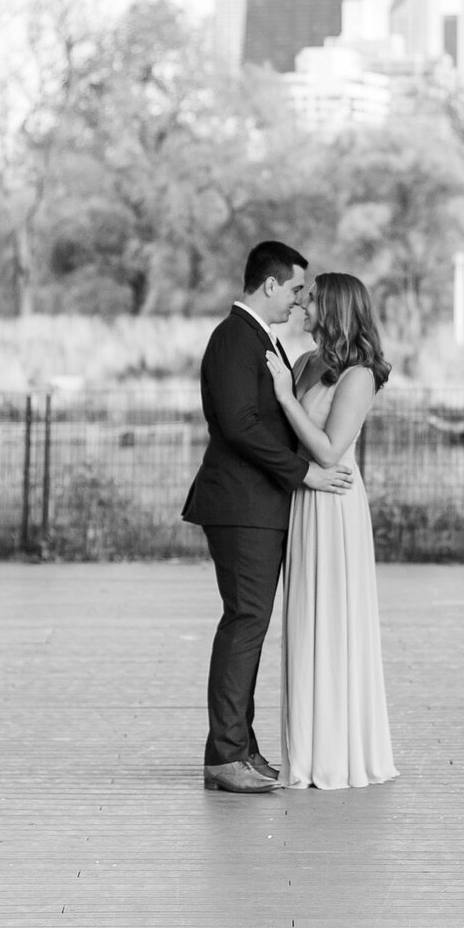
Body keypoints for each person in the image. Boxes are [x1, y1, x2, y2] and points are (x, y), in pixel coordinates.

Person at [182, 241, 356, 794]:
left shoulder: (266, 340)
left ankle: (243, 749)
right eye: (297, 289)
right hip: (241, 506)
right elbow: (239, 425)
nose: (301, 299)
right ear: (272, 285)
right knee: (244, 625)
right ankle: (225, 756)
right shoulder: (234, 338)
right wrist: (303, 474)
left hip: (261, 506)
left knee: (250, 627)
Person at [263, 271, 398, 790]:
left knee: (334, 621)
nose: (302, 306)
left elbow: (328, 448)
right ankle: (308, 747)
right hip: (302, 501)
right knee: (304, 621)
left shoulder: (358, 375)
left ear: (337, 309)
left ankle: (339, 752)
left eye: (313, 299)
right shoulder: (304, 363)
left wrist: (283, 395)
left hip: (334, 504)